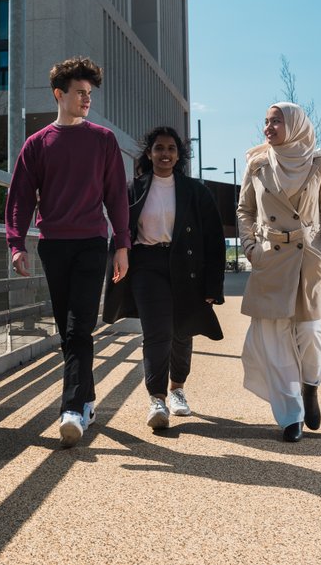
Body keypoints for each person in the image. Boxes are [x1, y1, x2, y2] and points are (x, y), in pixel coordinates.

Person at [5, 56, 131, 448]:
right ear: (59, 94)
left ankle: (71, 409)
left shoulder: (103, 140)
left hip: (93, 243)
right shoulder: (37, 144)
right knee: (67, 331)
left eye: (89, 93)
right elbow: (20, 197)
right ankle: (88, 400)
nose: (86, 99)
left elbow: (116, 196)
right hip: (53, 246)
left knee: (79, 328)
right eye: (79, 92)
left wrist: (122, 245)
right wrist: (15, 242)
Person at [102, 126, 225, 431]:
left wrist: (213, 285)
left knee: (182, 330)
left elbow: (213, 239)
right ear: (149, 153)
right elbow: (121, 230)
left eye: (171, 148)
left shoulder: (196, 191)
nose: (165, 154)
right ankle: (156, 399)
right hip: (147, 265)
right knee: (157, 331)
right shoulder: (133, 189)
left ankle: (177, 389)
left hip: (186, 265)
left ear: (179, 155)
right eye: (159, 148)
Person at [238, 102, 321, 443]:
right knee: (275, 340)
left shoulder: (319, 164)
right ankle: (291, 416)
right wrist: (251, 248)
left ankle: (311, 384)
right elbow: (245, 209)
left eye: (276, 122)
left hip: (308, 259)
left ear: (296, 126)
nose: (268, 128)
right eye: (266, 121)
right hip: (270, 259)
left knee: (310, 334)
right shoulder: (257, 164)